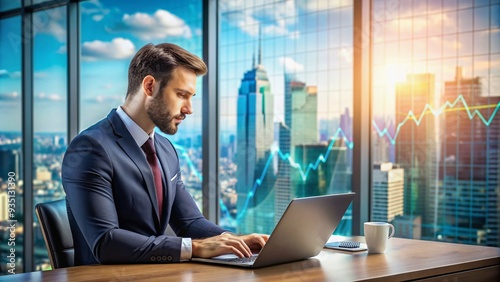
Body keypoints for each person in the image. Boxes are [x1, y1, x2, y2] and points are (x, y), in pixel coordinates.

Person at [62, 43, 268, 265]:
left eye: (191, 97)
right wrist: (195, 247)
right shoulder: (90, 148)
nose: (189, 109)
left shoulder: (166, 150)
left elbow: (189, 222)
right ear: (150, 86)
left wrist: (234, 240)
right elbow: (106, 242)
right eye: (181, 95)